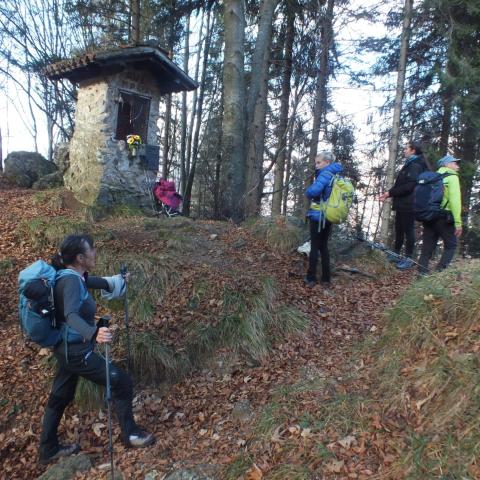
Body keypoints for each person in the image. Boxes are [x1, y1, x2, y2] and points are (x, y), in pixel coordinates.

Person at [39, 234, 155, 465]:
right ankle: (130, 434)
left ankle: (47, 449)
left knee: (59, 397)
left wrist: (117, 282)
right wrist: (93, 333)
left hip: (65, 349)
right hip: (77, 352)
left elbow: (94, 282)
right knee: (121, 382)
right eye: (91, 249)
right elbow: (71, 314)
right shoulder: (71, 282)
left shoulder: (72, 276)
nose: (95, 252)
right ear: (80, 258)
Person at [379, 140, 427, 269]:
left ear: (413, 150)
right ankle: (395, 254)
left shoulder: (415, 165)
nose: (404, 150)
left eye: (406, 148)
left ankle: (409, 258)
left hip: (410, 204)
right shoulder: (410, 164)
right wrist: (389, 193)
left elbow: (409, 186)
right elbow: (402, 185)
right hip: (402, 203)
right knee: (399, 229)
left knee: (408, 230)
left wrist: (390, 193)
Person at [417, 154, 462, 274]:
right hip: (444, 217)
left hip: (428, 216)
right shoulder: (452, 177)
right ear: (447, 164)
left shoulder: (433, 177)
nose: (457, 166)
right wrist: (458, 222)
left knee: (427, 248)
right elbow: (455, 201)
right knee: (451, 245)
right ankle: (438, 272)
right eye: (455, 163)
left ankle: (421, 274)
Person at [304, 151, 343, 287]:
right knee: (324, 246)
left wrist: (307, 191)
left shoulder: (325, 174)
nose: (316, 165)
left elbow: (313, 191)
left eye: (319, 162)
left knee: (315, 246)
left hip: (318, 215)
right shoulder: (336, 174)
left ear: (327, 163)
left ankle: (311, 278)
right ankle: (326, 279)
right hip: (330, 214)